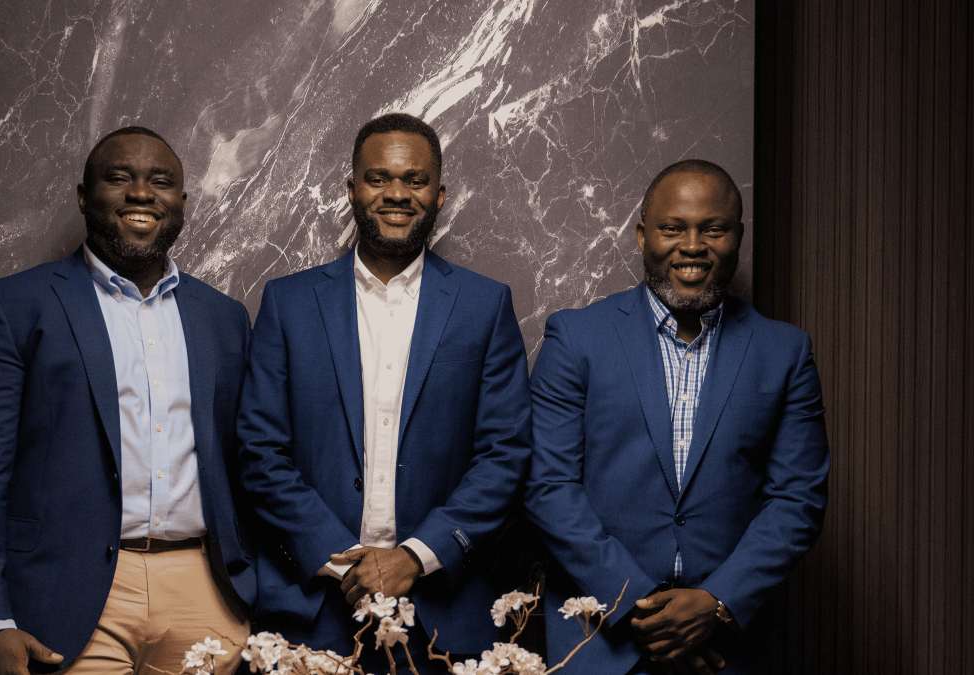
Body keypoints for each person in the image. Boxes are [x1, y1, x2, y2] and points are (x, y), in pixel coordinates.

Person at [0, 126, 253, 674]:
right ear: (84, 196)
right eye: (119, 178)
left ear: (182, 202)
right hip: (70, 595)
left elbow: (249, 460)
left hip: (205, 592)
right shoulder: (14, 307)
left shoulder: (223, 318)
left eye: (161, 182)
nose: (141, 193)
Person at [237, 113, 531, 669]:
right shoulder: (289, 303)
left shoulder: (484, 305)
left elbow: (505, 453)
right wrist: (346, 562)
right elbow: (260, 450)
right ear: (352, 189)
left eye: (415, 180)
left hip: (444, 612)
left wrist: (416, 557)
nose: (397, 193)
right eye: (378, 178)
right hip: (313, 608)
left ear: (440, 195)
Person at [526, 160, 829, 674]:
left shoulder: (784, 352)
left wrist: (716, 603)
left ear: (737, 237)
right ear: (642, 235)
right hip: (599, 642)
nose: (692, 246)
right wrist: (640, 607)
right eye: (672, 228)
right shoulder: (577, 339)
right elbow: (547, 487)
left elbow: (797, 500)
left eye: (713, 229)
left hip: (726, 648)